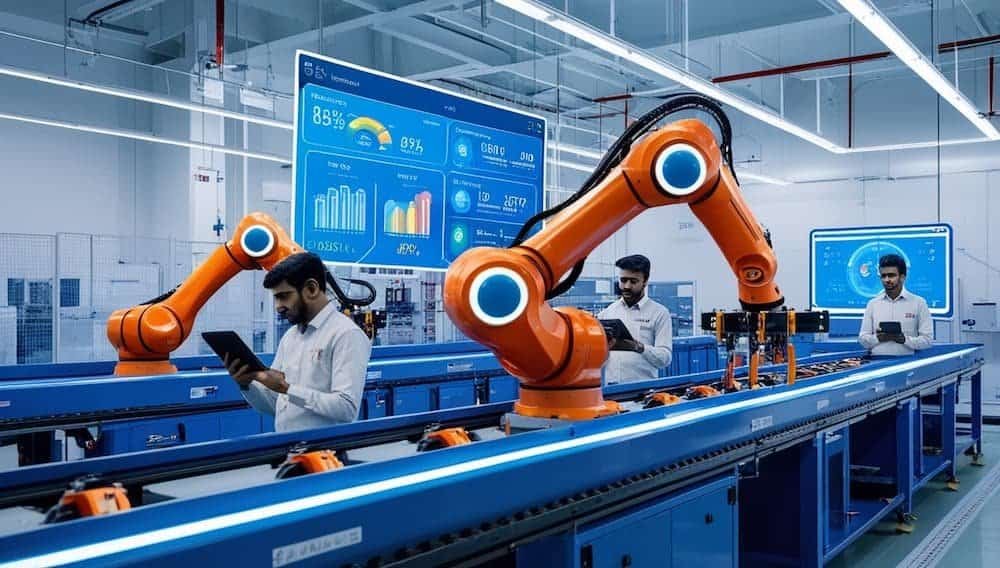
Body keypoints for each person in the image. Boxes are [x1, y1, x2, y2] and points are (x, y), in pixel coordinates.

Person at [224, 252, 372, 432]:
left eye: (284, 296)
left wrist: (287, 388)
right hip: (287, 445)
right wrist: (247, 384)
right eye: (276, 298)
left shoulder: (346, 334)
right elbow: (275, 405)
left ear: (311, 289)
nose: (278, 307)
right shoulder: (290, 337)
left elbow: (346, 408)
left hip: (325, 448)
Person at [598, 254, 673, 383]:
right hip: (611, 388)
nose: (627, 286)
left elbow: (665, 359)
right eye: (623, 280)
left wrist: (638, 347)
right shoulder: (608, 312)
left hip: (643, 388)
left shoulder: (659, 313)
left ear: (645, 281)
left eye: (633, 281)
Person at [858, 253, 932, 356]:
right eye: (883, 276)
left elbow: (928, 341)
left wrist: (904, 340)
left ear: (902, 277)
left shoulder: (919, 303)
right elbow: (862, 339)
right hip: (877, 362)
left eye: (891, 275)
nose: (887, 280)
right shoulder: (872, 304)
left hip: (907, 362)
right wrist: (878, 338)